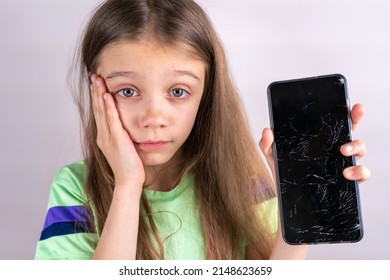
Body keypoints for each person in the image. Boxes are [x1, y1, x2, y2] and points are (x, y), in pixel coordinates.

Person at [34, 0, 371, 260]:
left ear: (206, 96)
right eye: (127, 91)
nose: (154, 117)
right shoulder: (75, 190)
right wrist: (127, 185)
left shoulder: (243, 182)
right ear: (98, 93)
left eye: (178, 91)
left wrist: (299, 206)